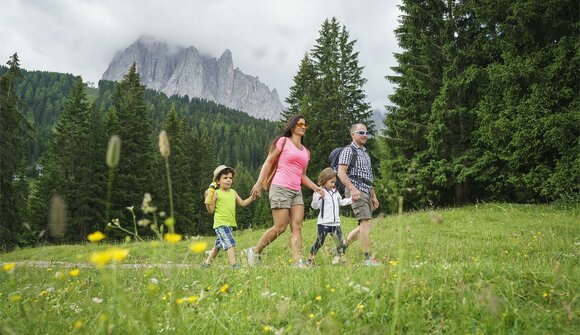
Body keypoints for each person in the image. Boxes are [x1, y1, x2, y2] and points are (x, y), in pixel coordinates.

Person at [247, 115, 324, 267]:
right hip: (280, 187)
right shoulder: (283, 142)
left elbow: (302, 175)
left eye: (305, 124)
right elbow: (269, 161)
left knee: (297, 226)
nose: (303, 126)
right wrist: (258, 183)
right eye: (300, 124)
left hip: (296, 191)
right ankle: (255, 251)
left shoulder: (305, 152)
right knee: (280, 227)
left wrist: (315, 187)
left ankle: (297, 262)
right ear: (292, 126)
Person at [336, 123, 381, 266]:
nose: (364, 135)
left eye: (366, 133)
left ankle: (342, 247)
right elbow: (341, 172)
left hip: (366, 189)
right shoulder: (349, 150)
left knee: (365, 224)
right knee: (366, 223)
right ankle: (367, 259)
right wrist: (352, 188)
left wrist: (373, 195)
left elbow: (367, 176)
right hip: (356, 189)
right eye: (361, 132)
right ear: (353, 134)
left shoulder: (365, 153)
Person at [203, 165, 255, 269]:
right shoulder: (216, 194)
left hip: (229, 224)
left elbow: (243, 203)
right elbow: (211, 210)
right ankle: (235, 266)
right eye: (225, 178)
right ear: (218, 181)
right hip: (221, 224)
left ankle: (207, 264)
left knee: (217, 246)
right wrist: (207, 202)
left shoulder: (233, 192)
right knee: (230, 243)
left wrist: (253, 197)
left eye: (230, 178)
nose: (228, 180)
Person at [306, 167, 352, 266]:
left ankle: (343, 260)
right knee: (320, 242)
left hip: (335, 223)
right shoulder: (319, 191)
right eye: (331, 182)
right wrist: (319, 197)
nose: (333, 184)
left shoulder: (335, 192)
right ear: (324, 180)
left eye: (334, 182)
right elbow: (314, 206)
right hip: (324, 223)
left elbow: (341, 202)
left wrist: (352, 199)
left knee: (339, 243)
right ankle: (310, 259)